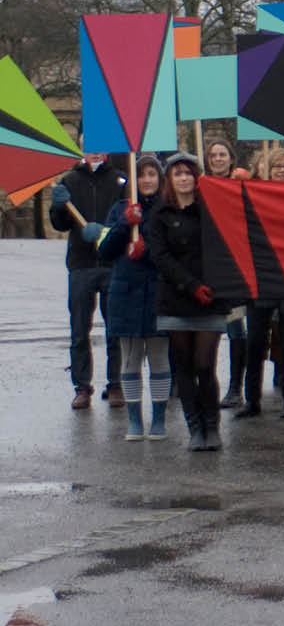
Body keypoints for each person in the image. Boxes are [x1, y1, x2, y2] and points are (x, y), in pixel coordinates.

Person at [144, 153, 229, 451]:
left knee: (205, 364)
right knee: (183, 365)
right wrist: (190, 286)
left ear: (196, 177)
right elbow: (160, 256)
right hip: (176, 298)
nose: (183, 178)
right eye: (177, 173)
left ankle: (211, 424)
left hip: (210, 297)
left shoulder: (211, 209)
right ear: (170, 179)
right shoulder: (159, 213)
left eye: (188, 173)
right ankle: (194, 426)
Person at [48, 137, 127, 410]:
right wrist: (58, 205)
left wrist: (106, 233)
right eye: (88, 143)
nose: (94, 150)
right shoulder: (69, 180)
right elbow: (59, 224)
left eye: (98, 142)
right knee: (80, 329)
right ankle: (82, 387)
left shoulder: (120, 180)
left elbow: (127, 221)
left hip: (111, 263)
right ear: (81, 147)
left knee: (115, 327)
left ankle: (116, 384)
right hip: (81, 265)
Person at [97, 153, 168, 441]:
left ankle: (159, 420)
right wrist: (125, 225)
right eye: (142, 174)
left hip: (158, 295)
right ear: (134, 180)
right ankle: (134, 421)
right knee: (130, 360)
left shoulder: (166, 209)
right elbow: (104, 252)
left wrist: (147, 251)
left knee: (160, 358)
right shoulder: (119, 209)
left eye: (152, 174)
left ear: (159, 179)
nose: (147, 180)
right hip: (125, 295)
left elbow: (172, 252)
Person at [240, 147, 284, 419]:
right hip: (262, 274)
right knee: (255, 339)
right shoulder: (254, 194)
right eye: (277, 166)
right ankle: (251, 399)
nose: (281, 171)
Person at [203, 137, 250, 410]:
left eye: (222, 154)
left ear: (231, 158)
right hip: (210, 266)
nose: (218, 159)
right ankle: (207, 385)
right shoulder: (201, 187)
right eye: (213, 156)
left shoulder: (240, 186)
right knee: (207, 330)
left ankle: (236, 388)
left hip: (234, 267)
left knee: (236, 329)